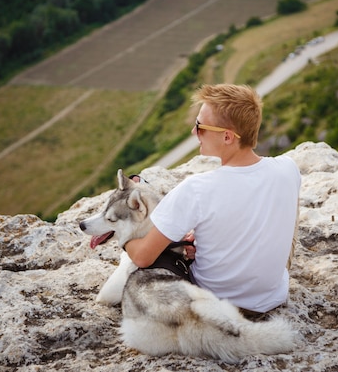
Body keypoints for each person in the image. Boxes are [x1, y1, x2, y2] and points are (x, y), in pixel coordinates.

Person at [124, 83, 301, 314]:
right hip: (270, 298)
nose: (193, 133)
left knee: (140, 263)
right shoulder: (288, 169)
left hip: (216, 305)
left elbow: (142, 257)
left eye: (200, 127)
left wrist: (125, 234)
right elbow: (254, 211)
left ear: (227, 137)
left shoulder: (197, 189)